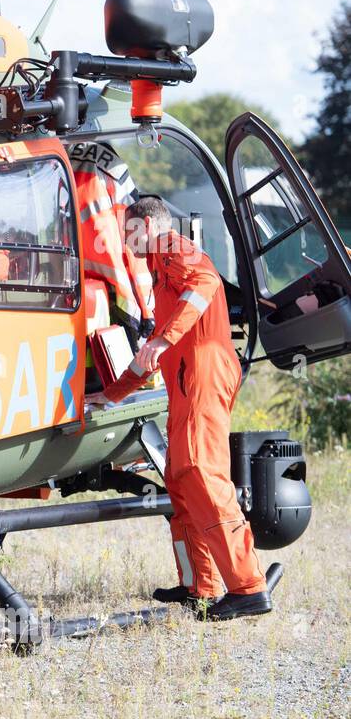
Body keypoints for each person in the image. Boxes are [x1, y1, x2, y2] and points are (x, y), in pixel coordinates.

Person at [86, 196, 276, 620]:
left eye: (128, 228)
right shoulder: (160, 270)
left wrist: (162, 339)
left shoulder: (173, 247)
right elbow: (152, 354)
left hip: (203, 378)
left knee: (202, 475)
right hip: (188, 383)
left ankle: (248, 587)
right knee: (179, 478)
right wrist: (113, 393)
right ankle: (200, 588)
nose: (123, 237)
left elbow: (206, 283)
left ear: (148, 226)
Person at [69, 141, 155, 347]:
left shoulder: (53, 153)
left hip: (65, 290)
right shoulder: (110, 167)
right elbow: (134, 246)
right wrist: (146, 310)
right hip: (111, 297)